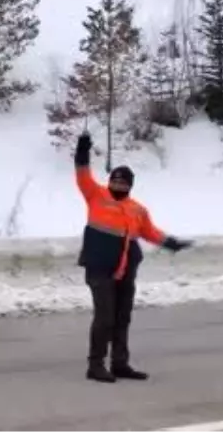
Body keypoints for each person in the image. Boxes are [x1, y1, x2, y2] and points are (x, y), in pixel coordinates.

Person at [74, 132, 192, 384]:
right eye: (115, 181)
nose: (119, 185)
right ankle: (95, 365)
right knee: (104, 317)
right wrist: (82, 149)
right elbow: (82, 174)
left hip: (125, 269)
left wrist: (172, 243)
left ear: (130, 185)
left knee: (122, 317)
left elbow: (150, 232)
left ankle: (120, 364)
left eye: (124, 182)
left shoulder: (137, 209)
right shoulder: (95, 195)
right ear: (110, 182)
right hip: (99, 267)